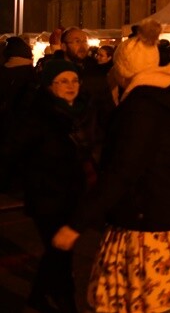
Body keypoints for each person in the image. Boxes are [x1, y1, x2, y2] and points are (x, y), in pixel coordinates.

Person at [52, 19, 170, 312]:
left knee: (139, 299)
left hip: (146, 225)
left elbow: (124, 169)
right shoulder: (169, 96)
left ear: (125, 70)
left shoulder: (141, 107)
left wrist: (78, 222)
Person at [1, 59, 97, 313]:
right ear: (49, 86)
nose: (70, 86)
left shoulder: (84, 111)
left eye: (74, 80)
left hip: (74, 192)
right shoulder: (37, 115)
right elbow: (11, 150)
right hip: (46, 194)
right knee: (60, 250)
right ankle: (66, 301)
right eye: (63, 81)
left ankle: (37, 296)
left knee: (61, 249)